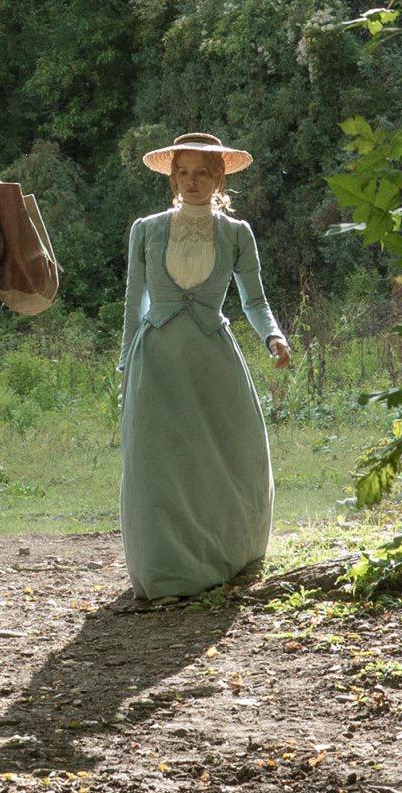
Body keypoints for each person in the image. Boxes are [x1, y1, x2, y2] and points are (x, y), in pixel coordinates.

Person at [117, 133, 292, 600]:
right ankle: (164, 568)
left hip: (213, 358)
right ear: (173, 178)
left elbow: (254, 300)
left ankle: (226, 554)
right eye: (183, 173)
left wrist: (273, 334)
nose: (191, 183)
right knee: (160, 462)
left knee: (226, 454)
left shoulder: (237, 233)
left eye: (202, 173)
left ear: (219, 178)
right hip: (156, 359)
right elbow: (135, 303)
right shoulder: (146, 229)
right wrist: (124, 363)